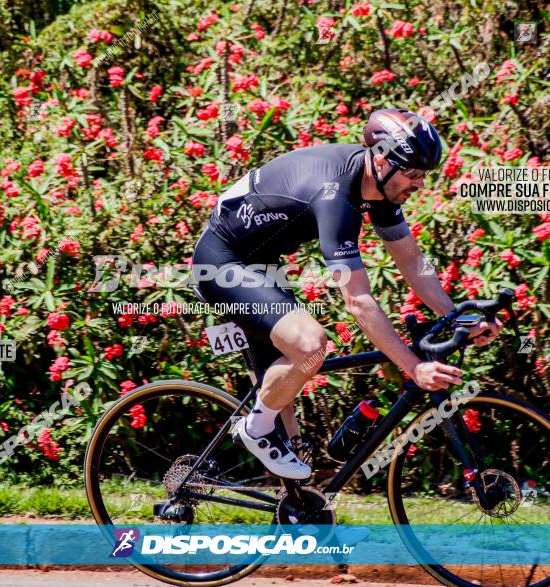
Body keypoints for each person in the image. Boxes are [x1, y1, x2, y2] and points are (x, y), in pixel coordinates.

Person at [191, 108, 502, 479]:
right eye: (414, 174)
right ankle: (253, 429)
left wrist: (457, 317)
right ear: (383, 160)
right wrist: (414, 366)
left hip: (262, 263)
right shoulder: (335, 194)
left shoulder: (380, 189)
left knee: (287, 430)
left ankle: (295, 508)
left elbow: (411, 260)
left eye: (424, 175)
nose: (420, 184)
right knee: (310, 345)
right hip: (222, 262)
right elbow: (357, 301)